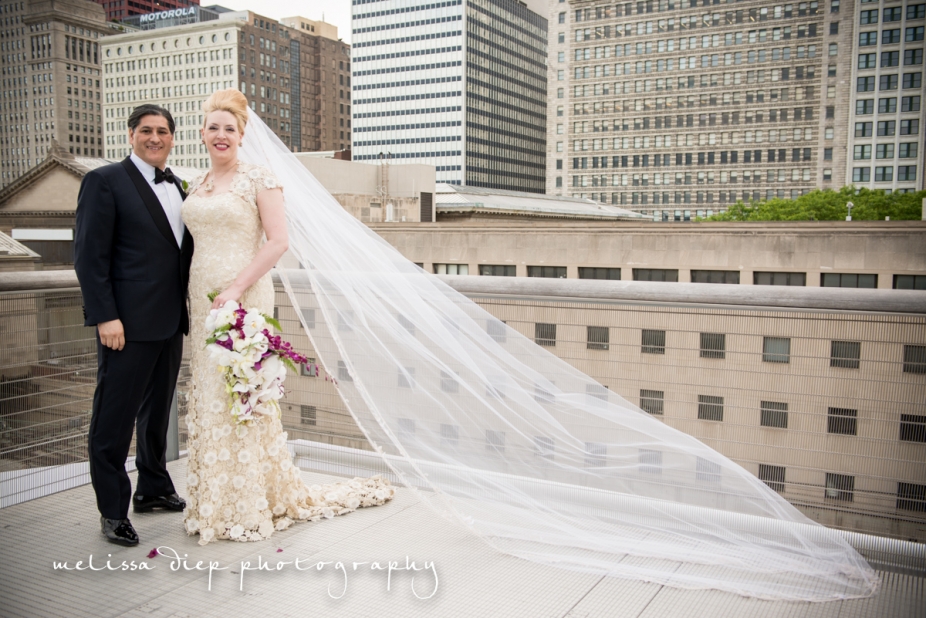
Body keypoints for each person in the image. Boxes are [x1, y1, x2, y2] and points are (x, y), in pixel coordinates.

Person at [181, 90, 394, 545]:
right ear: (202, 133)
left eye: (230, 129)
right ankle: (213, 503)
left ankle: (249, 499)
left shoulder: (260, 178)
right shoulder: (195, 184)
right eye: (214, 127)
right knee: (211, 393)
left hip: (243, 296)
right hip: (200, 301)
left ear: (242, 136)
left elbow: (278, 241)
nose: (221, 135)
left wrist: (236, 289)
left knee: (243, 394)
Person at [75, 104, 193, 546]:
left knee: (157, 413)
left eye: (163, 131)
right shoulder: (104, 181)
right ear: (131, 135)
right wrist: (106, 316)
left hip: (169, 322)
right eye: (146, 130)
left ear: (172, 138)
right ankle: (112, 511)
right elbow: (89, 258)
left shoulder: (179, 185)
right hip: (124, 324)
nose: (155, 138)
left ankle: (153, 488)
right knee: (113, 419)